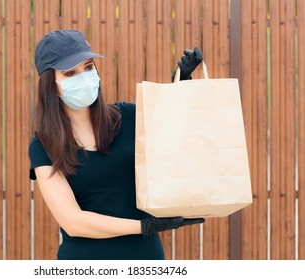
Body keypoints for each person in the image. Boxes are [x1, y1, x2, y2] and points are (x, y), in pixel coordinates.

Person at [29, 29, 204, 260]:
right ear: (50, 84)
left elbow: (174, 132)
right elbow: (73, 222)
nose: (83, 77)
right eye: (70, 73)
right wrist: (144, 226)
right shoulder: (43, 145)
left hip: (147, 260)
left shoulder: (128, 117)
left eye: (88, 67)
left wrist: (180, 84)